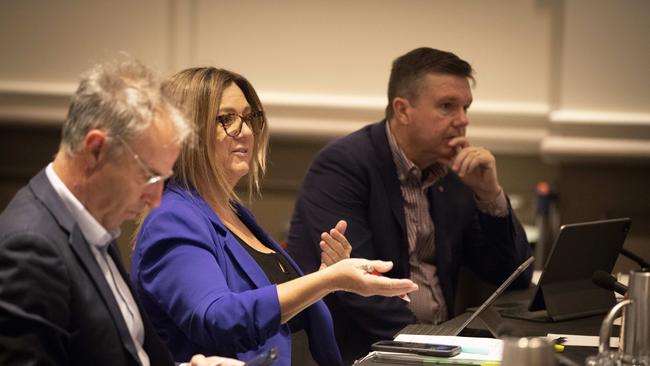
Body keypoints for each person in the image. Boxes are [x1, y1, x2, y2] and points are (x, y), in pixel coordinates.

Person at [130, 67, 418, 366]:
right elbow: (218, 318)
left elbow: (277, 314)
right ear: (186, 133)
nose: (246, 131)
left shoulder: (233, 212)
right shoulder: (171, 219)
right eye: (226, 119)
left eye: (248, 117)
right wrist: (327, 281)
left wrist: (326, 277)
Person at [286, 47, 534, 363]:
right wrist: (431, 347)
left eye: (466, 108)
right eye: (447, 106)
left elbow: (512, 274)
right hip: (363, 352)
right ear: (403, 110)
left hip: (438, 345)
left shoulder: (452, 171)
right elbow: (359, 290)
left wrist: (490, 194)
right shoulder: (343, 166)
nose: (463, 121)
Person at [0, 58, 243, 366]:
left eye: (163, 180)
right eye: (148, 176)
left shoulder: (95, 222)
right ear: (95, 150)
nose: (155, 199)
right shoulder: (30, 249)